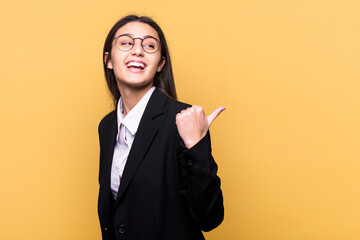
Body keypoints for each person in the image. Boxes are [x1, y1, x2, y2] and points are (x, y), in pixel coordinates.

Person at [97, 14, 225, 240]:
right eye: (126, 42)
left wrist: (195, 146)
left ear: (160, 64)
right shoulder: (106, 126)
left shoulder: (183, 120)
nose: (137, 50)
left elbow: (210, 218)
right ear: (108, 59)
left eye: (149, 45)